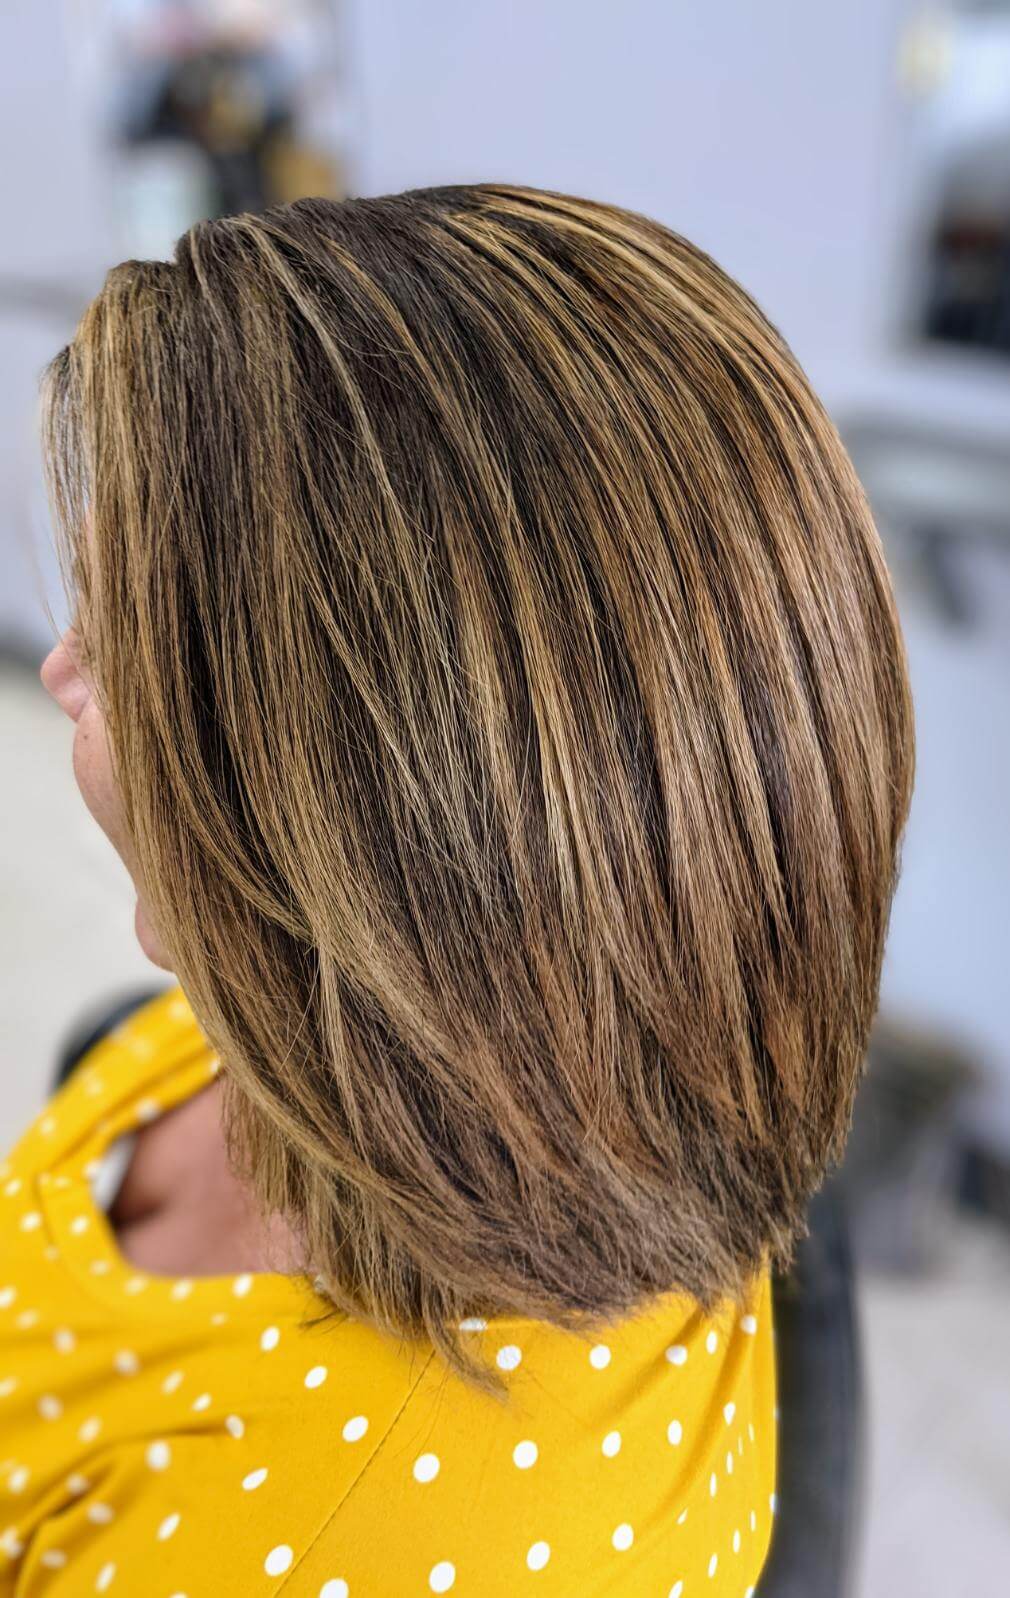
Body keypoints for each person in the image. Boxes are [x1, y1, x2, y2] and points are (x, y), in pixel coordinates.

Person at [2, 184, 914, 1595]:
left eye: (124, 639)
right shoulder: (532, 1045)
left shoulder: (322, 1550)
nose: (63, 669)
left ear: (375, 846)